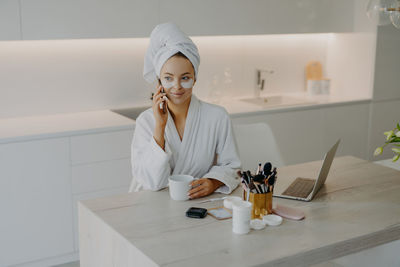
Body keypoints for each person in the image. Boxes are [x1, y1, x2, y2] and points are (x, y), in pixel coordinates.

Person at [129, 22, 241, 199]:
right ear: (159, 82)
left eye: (185, 78)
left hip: (197, 203)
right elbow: (152, 182)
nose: (177, 87)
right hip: (152, 202)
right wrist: (160, 126)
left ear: (195, 78)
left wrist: (214, 182)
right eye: (168, 78)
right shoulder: (146, 121)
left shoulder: (217, 117)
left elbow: (232, 166)